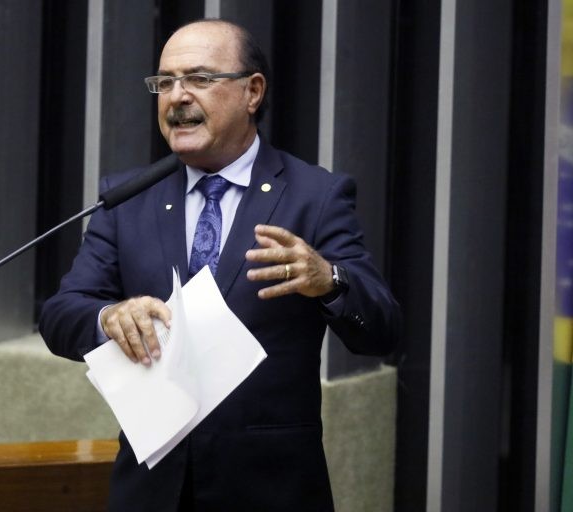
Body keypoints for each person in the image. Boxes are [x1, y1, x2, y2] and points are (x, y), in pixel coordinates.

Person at [40, 18, 401, 512]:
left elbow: (382, 328)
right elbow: (60, 314)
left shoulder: (315, 197)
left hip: (271, 490)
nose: (177, 97)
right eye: (165, 82)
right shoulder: (128, 198)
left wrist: (330, 280)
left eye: (199, 78)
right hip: (152, 493)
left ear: (252, 92)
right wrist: (108, 317)